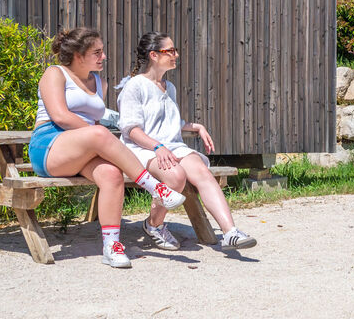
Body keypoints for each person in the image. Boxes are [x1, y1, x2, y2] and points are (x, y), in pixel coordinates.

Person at [29, 27, 186, 269]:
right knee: (99, 132)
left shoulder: (98, 82)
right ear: (79, 55)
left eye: (103, 52)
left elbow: (95, 126)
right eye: (97, 52)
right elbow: (60, 116)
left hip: (85, 149)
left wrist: (96, 137)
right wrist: (96, 135)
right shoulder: (55, 73)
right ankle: (155, 187)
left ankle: (111, 246)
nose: (104, 57)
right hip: (49, 146)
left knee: (112, 175)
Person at [117, 32, 256, 250]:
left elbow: (168, 121)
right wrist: (157, 146)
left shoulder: (168, 87)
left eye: (175, 50)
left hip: (170, 147)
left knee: (202, 172)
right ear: (153, 55)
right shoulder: (135, 86)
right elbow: (131, 129)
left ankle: (230, 233)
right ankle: (153, 225)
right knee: (176, 176)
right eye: (170, 51)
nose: (176, 55)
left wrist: (196, 126)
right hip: (141, 148)